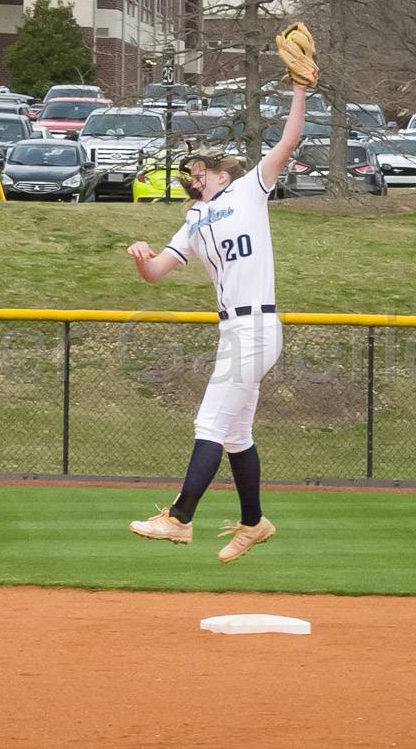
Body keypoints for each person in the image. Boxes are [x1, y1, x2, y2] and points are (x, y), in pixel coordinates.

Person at [124, 79, 309, 564]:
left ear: (224, 176)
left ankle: (180, 519)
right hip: (233, 330)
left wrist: (298, 89)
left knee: (208, 421)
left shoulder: (250, 189)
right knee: (233, 434)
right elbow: (155, 275)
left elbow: (288, 141)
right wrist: (143, 257)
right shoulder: (193, 220)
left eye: (202, 168)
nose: (194, 173)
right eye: (192, 169)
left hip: (257, 327)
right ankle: (254, 522)